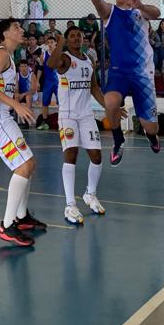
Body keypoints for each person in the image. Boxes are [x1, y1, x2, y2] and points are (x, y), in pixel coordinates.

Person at [0, 18, 43, 246]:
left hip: (2, 116)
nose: (21, 30)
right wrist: (16, 105)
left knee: (29, 163)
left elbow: (2, 88)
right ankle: (6, 226)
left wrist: (15, 102)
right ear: (5, 34)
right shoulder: (2, 54)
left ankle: (22, 216)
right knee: (23, 166)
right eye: (15, 27)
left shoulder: (11, 58)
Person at [84, 0, 161, 164]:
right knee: (110, 102)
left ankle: (151, 136)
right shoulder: (110, 12)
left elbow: (157, 13)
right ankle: (118, 140)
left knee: (150, 126)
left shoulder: (140, 12)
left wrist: (141, 4)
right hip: (119, 72)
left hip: (142, 74)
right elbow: (97, 2)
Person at [50, 26, 117, 225]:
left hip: (86, 115)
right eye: (72, 36)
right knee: (71, 154)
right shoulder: (64, 59)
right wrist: (59, 42)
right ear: (67, 40)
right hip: (68, 116)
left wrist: (109, 106)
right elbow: (51, 63)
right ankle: (70, 205)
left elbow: (94, 87)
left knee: (96, 156)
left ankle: (90, 194)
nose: (77, 38)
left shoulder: (89, 59)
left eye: (79, 35)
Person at [36, 34, 60, 130]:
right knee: (45, 103)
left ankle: (61, 122)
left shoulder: (60, 54)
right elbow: (40, 68)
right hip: (48, 82)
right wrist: (37, 81)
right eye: (48, 42)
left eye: (52, 42)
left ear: (56, 44)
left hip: (59, 82)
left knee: (61, 103)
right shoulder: (44, 54)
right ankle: (45, 122)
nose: (50, 44)